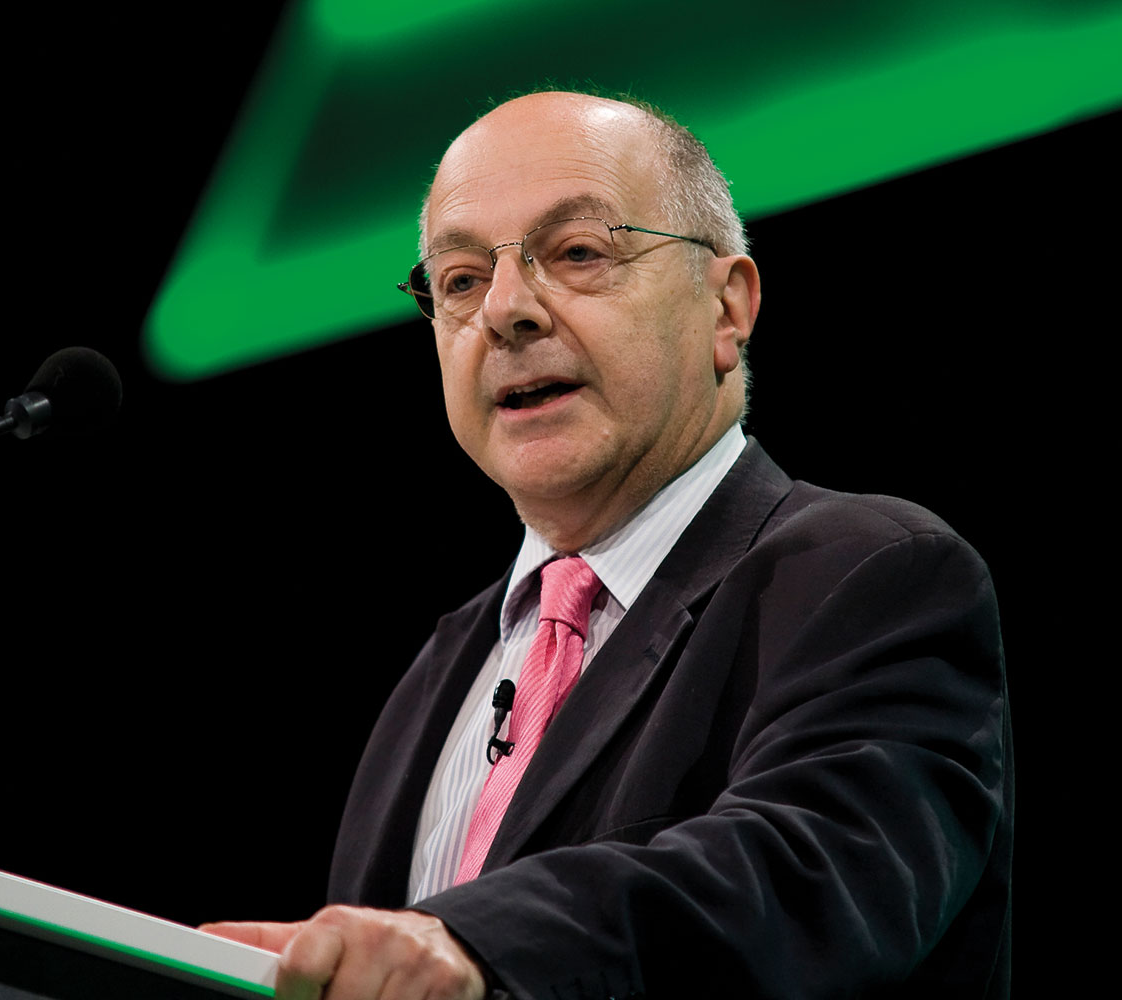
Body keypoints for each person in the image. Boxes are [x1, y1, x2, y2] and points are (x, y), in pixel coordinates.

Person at [204, 91, 1011, 1000]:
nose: (506, 311)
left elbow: (809, 875)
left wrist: (477, 943)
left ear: (727, 308)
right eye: (461, 279)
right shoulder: (434, 680)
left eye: (578, 252)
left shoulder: (870, 573)